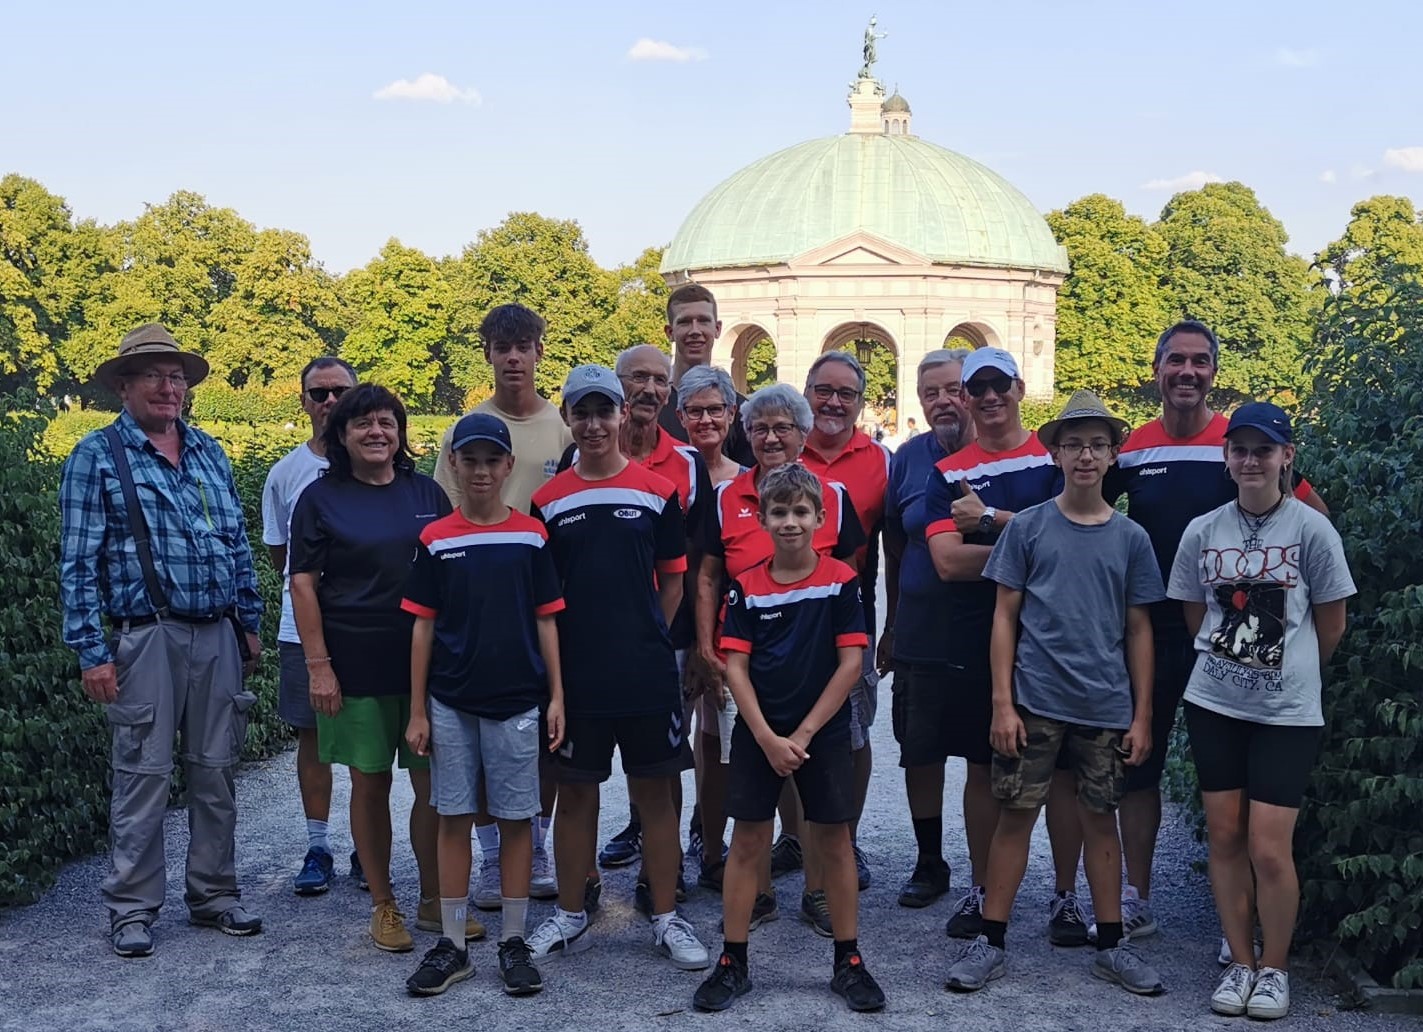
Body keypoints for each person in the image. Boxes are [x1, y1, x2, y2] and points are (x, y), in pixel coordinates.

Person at [1102, 320, 1327, 948]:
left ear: (1214, 373)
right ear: (1156, 369)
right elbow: (1082, 500)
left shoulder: (1239, 442)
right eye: (1176, 360)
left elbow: (1313, 518)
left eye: (1200, 362)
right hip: (1150, 630)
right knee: (1136, 764)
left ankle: (1247, 921)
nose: (1187, 372)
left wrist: (1293, 627)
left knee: (1246, 793)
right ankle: (1136, 898)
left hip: (1230, 640)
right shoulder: (1135, 448)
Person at [944, 390, 1166, 997]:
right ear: (1056, 453)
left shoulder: (1130, 539)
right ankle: (990, 940)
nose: (1086, 456)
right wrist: (1001, 702)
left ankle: (1111, 944)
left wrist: (1142, 715)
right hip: (1035, 701)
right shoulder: (1030, 529)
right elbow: (1004, 619)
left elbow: (1140, 628)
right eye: (1074, 445)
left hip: (1105, 706)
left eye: (1097, 444)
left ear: (1113, 453)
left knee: (1101, 822)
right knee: (1015, 818)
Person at [60, 323, 265, 958]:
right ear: (124, 386)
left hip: (217, 635)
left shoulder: (209, 452)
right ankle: (132, 909)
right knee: (142, 774)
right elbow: (76, 564)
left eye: (176, 376)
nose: (168, 386)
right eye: (153, 374)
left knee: (216, 773)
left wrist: (249, 621)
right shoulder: (96, 456)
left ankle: (214, 895)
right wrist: (92, 651)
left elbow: (236, 542)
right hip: (144, 637)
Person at [1167, 402, 1353, 1021]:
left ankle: (1274, 969)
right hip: (1215, 703)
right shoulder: (1204, 530)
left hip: (1287, 711)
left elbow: (1331, 622)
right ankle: (1239, 963)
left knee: (1269, 847)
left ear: (1286, 457)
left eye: (1263, 450)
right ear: (1227, 458)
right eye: (1240, 450)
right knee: (1224, 836)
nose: (1251, 461)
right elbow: (1197, 613)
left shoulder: (1311, 530)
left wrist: (1290, 669)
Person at [526, 365, 709, 971]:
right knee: (576, 797)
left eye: (605, 411)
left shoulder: (658, 490)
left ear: (623, 414)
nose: (595, 423)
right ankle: (573, 913)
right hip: (578, 676)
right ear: (570, 420)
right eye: (583, 413)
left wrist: (642, 634)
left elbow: (675, 581)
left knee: (656, 795)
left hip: (645, 670)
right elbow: (545, 599)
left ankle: (664, 915)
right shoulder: (547, 500)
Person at [289, 384, 483, 953]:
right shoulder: (320, 499)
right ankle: (383, 904)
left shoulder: (427, 492)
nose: (376, 432)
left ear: (400, 433)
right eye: (362, 424)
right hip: (354, 666)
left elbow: (454, 570)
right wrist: (319, 667)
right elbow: (302, 584)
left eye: (387, 423)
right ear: (340, 437)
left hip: (431, 667)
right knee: (369, 786)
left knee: (434, 789)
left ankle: (432, 900)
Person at [693, 464, 885, 1013]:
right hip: (761, 732)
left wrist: (799, 734)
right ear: (764, 520)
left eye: (802, 512)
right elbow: (735, 667)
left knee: (833, 842)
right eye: (779, 512)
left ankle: (849, 960)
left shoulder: (840, 583)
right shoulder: (746, 587)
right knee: (749, 841)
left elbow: (851, 664)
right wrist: (765, 735)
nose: (791, 522)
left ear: (821, 519)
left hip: (818, 734)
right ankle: (732, 960)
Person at [401, 413, 567, 997]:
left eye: (490, 460)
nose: (479, 470)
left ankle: (513, 939)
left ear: (507, 466)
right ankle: (451, 942)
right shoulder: (436, 537)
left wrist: (557, 696)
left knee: (518, 818)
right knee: (454, 816)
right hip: (451, 699)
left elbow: (548, 619)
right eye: (468, 460)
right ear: (454, 464)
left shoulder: (531, 534)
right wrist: (418, 709)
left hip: (518, 699)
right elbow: (422, 628)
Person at [924, 347, 1082, 945]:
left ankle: (1065, 895)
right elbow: (946, 561)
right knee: (982, 765)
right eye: (978, 388)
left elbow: (1078, 538)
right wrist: (1037, 541)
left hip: (1056, 635)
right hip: (975, 629)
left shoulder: (1053, 455)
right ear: (964, 396)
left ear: (1019, 386)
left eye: (1000, 385)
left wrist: (989, 518)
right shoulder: (948, 469)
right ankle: (983, 887)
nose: (990, 398)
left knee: (1064, 771)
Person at [696, 383, 866, 935]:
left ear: (801, 432)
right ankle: (759, 893)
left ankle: (817, 890)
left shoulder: (832, 495)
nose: (771, 437)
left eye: (783, 427)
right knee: (751, 773)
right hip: (746, 653)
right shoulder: (724, 495)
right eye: (760, 428)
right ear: (747, 434)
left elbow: (848, 572)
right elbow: (706, 574)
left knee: (812, 780)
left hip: (820, 664)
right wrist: (707, 647)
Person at [433, 304, 573, 910]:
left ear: (540, 352)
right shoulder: (465, 429)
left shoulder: (562, 431)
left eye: (523, 346)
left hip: (539, 595)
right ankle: (492, 855)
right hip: (475, 603)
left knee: (536, 735)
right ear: (487, 354)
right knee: (475, 736)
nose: (513, 357)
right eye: (501, 347)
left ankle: (533, 844)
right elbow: (443, 516)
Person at [585, 344, 713, 908]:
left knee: (666, 759)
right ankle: (594, 870)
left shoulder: (687, 462)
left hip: (669, 636)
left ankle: (663, 874)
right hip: (597, 638)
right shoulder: (579, 459)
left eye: (660, 380)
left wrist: (687, 641)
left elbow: (701, 560)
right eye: (637, 377)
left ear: (670, 393)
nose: (649, 390)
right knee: (586, 769)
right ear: (617, 387)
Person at [261, 356, 360, 895]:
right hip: (303, 631)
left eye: (338, 391)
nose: (328, 402)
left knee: (374, 743)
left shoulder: (379, 462)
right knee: (314, 738)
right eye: (317, 393)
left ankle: (369, 848)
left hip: (369, 629)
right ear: (303, 402)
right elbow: (282, 557)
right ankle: (318, 844)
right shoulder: (285, 473)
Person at [881, 349, 976, 908]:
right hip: (920, 624)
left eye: (954, 389)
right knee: (920, 750)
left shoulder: (1001, 455)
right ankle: (930, 860)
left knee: (985, 755)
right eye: (931, 392)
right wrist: (891, 623)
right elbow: (894, 543)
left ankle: (984, 872)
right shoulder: (910, 458)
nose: (944, 401)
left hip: (984, 625)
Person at [797, 352, 892, 894]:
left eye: (846, 394)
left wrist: (893, 618)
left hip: (850, 610)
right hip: (782, 611)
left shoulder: (880, 459)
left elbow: (893, 544)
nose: (834, 402)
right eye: (823, 391)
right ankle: (798, 838)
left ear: (860, 402)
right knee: (789, 720)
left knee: (853, 729)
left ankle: (845, 836)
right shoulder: (785, 444)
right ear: (807, 391)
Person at [675, 366, 745, 890]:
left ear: (731, 415)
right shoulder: (666, 469)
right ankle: (660, 837)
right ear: (681, 418)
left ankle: (712, 835)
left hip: (729, 628)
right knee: (669, 740)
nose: (705, 419)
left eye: (715, 410)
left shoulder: (745, 479)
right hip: (674, 625)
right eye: (695, 411)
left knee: (716, 734)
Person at [654, 283, 755, 469]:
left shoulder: (743, 412)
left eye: (703, 321)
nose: (695, 330)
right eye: (684, 322)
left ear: (717, 328)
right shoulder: (654, 407)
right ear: (670, 332)